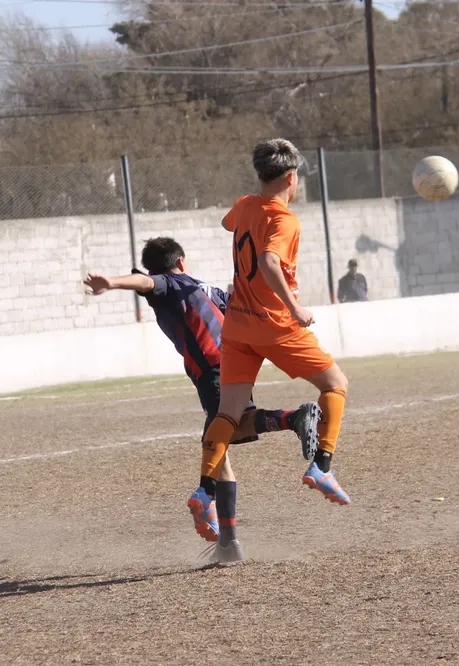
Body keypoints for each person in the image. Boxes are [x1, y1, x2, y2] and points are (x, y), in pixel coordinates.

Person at [83, 238, 322, 548]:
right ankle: (228, 542)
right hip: (234, 364)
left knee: (228, 433)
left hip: (212, 369)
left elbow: (145, 281)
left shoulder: (167, 284)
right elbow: (241, 306)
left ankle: (293, 419)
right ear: (182, 261)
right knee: (217, 445)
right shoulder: (203, 287)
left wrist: (112, 282)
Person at [189, 139, 351, 562]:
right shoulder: (286, 220)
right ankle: (323, 466)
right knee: (335, 384)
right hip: (275, 325)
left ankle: (204, 489)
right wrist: (295, 306)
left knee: (228, 413)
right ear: (292, 178)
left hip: (237, 324)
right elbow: (268, 262)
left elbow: (230, 223)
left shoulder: (245, 205)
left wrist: (249, 213)